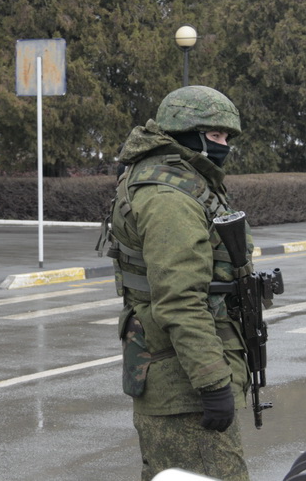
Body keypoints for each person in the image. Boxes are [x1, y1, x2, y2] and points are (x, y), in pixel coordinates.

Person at [106, 86, 252, 481]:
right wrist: (213, 383)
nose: (224, 146)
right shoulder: (169, 195)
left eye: (227, 138)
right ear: (187, 133)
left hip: (178, 374)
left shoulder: (180, 180)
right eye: (217, 136)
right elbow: (181, 300)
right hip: (181, 385)